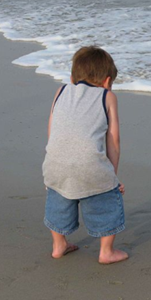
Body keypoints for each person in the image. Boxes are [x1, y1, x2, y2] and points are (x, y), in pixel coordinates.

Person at [42, 46, 128, 264]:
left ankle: (58, 245)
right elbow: (114, 141)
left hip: (54, 162)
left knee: (58, 200)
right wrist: (112, 177)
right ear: (108, 81)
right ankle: (106, 251)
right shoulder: (107, 97)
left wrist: (53, 166)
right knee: (104, 201)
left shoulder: (60, 91)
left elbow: (52, 131)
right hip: (90, 165)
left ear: (72, 78)